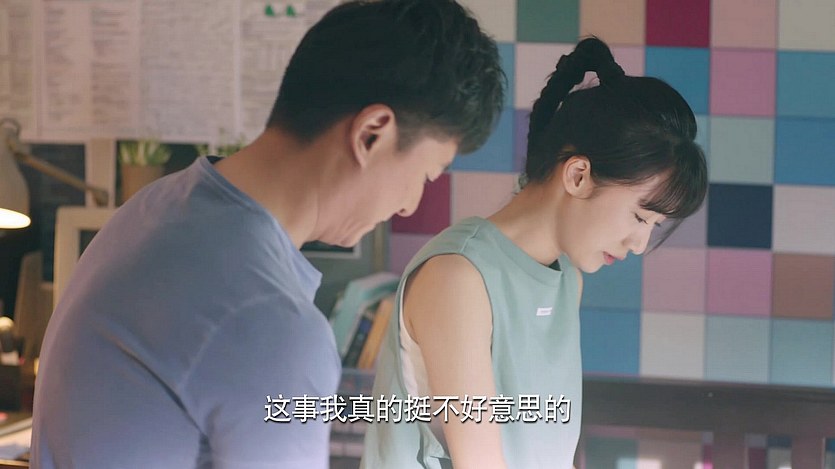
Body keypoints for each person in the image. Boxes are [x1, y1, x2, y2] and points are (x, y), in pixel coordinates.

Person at [30, 1, 504, 468]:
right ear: (371, 135)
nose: (409, 205)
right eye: (425, 175)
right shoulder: (269, 321)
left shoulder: (154, 207)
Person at [361, 37, 708, 469]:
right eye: (640, 217)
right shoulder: (458, 276)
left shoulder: (566, 281)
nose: (639, 244)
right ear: (578, 175)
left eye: (653, 227)